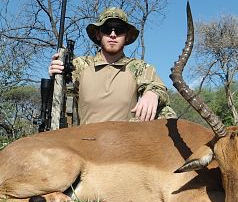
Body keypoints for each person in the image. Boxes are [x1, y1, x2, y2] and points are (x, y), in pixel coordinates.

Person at [49, 7, 177, 124]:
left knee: (166, 112)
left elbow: (159, 88)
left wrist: (153, 94)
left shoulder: (138, 67)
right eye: (107, 29)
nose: (113, 34)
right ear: (98, 34)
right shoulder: (79, 65)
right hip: (84, 143)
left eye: (119, 30)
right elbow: (62, 93)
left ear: (126, 36)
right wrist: (56, 73)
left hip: (124, 143)